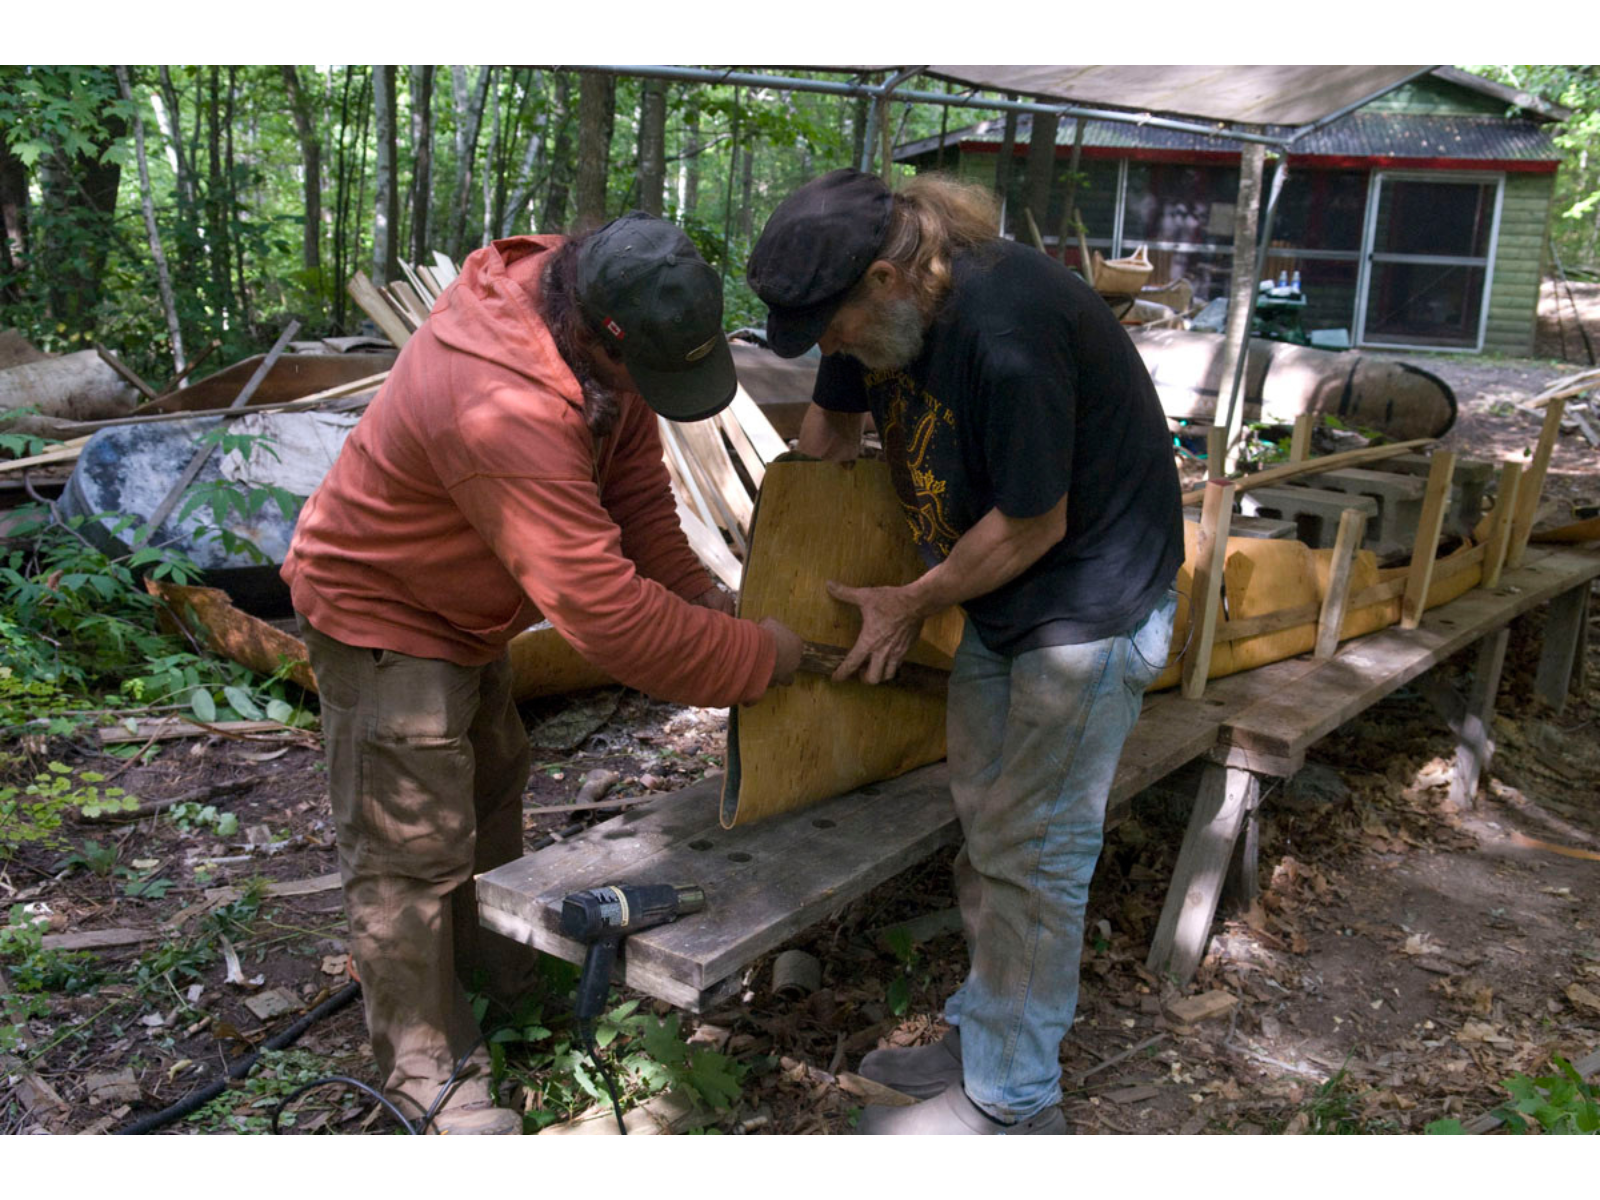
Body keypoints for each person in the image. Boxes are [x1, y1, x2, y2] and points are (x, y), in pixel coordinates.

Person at [283, 213, 803, 1135]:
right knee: (411, 848)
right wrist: (758, 659)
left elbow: (636, 496)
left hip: (468, 604)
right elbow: (603, 614)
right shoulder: (502, 399)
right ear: (603, 337)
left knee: (488, 790)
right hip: (383, 608)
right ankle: (424, 1070)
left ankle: (500, 985)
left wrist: (705, 603)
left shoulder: (601, 323)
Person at [747, 169, 1182, 1135]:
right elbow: (828, 438)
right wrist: (776, 557)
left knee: (1036, 847)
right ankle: (991, 1031)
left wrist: (909, 602)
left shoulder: (1007, 331)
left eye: (836, 325)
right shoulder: (863, 309)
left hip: (1087, 604)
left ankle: (1012, 1103)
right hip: (998, 595)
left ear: (888, 279)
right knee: (988, 823)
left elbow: (1033, 523)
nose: (832, 347)